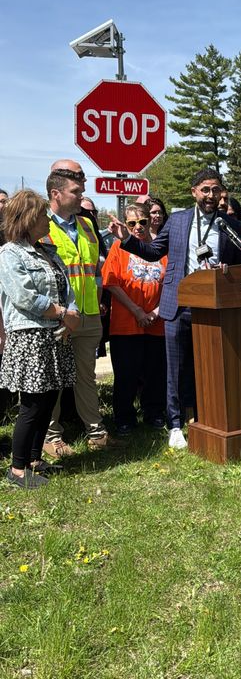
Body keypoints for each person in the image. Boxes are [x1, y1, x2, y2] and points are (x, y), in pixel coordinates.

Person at [109, 167, 241, 449]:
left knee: (210, 365)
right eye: (205, 190)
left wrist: (227, 270)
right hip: (178, 304)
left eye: (216, 189)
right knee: (175, 368)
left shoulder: (228, 224)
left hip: (214, 306)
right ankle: (174, 424)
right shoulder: (179, 221)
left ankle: (206, 415)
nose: (211, 195)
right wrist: (127, 239)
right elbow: (153, 251)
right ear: (193, 192)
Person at [0, 190, 79, 488]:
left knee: (48, 398)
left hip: (54, 334)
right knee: (31, 405)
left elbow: (66, 288)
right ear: (29, 219)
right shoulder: (10, 253)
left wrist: (71, 314)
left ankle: (34, 459)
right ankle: (17, 469)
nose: (48, 220)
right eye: (44, 215)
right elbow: (23, 297)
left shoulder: (47, 251)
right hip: (31, 336)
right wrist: (62, 313)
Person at [41, 162, 116, 456]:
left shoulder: (86, 225)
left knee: (87, 376)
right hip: (57, 317)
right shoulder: (40, 226)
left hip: (88, 313)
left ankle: (96, 432)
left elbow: (95, 270)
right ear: (56, 193)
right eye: (75, 190)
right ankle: (51, 437)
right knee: (54, 378)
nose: (81, 193)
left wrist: (97, 299)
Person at [102, 203, 168, 435]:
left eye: (142, 222)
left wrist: (154, 312)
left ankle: (154, 413)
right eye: (132, 223)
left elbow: (172, 285)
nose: (138, 227)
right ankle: (124, 418)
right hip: (126, 323)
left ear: (150, 221)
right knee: (126, 374)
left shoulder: (161, 248)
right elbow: (110, 282)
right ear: (125, 224)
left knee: (155, 373)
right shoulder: (119, 247)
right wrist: (137, 311)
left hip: (156, 323)